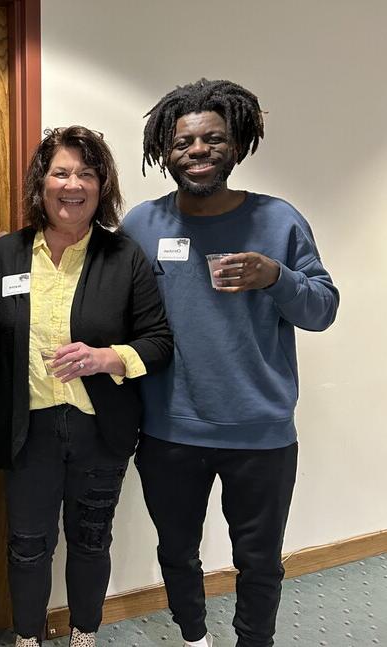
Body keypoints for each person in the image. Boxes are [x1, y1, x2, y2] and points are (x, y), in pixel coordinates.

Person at [122, 79, 339, 647]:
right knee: (176, 550)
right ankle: (194, 637)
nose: (198, 151)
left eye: (213, 139)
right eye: (183, 142)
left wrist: (277, 277)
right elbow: (100, 290)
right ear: (164, 152)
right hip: (169, 427)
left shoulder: (279, 220)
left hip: (260, 430)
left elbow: (322, 310)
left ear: (237, 144)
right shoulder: (142, 225)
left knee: (260, 562)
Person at [0, 126, 173, 647]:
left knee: (90, 540)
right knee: (27, 544)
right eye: (61, 172)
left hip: (99, 429)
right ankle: (28, 638)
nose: (73, 184)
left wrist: (105, 357)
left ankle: (84, 632)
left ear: (102, 185)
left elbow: (158, 342)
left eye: (87, 173)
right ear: (41, 183)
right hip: (28, 427)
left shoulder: (124, 256)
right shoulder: (4, 256)